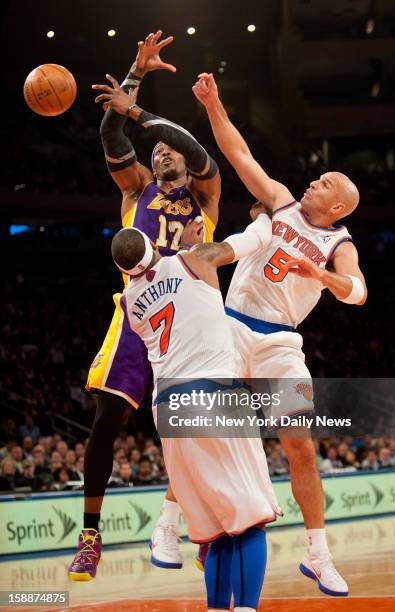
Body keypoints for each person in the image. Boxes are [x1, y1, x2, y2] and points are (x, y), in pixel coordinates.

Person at [191, 72, 368, 597]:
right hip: (229, 324)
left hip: (280, 345)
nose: (316, 181)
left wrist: (321, 276)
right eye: (319, 177)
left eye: (327, 182)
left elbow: (357, 292)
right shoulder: (282, 202)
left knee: (302, 448)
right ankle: (181, 527)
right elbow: (240, 153)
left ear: (336, 207)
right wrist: (214, 104)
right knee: (199, 430)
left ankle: (318, 554)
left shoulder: (339, 241)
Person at [68, 32, 221, 581]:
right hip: (139, 316)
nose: (159, 152)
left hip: (193, 326)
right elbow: (112, 131)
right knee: (106, 418)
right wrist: (133, 78)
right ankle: (90, 536)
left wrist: (142, 110)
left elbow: (198, 150)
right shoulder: (136, 191)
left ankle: (208, 530)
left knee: (193, 433)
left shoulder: (206, 194)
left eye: (166, 148)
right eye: (154, 150)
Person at [113, 218, 280, 612]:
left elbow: (156, 280)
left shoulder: (129, 303)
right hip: (213, 395)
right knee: (250, 518)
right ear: (152, 245)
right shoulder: (195, 259)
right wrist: (269, 213)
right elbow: (254, 239)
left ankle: (217, 606)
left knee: (215, 528)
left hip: (167, 409)